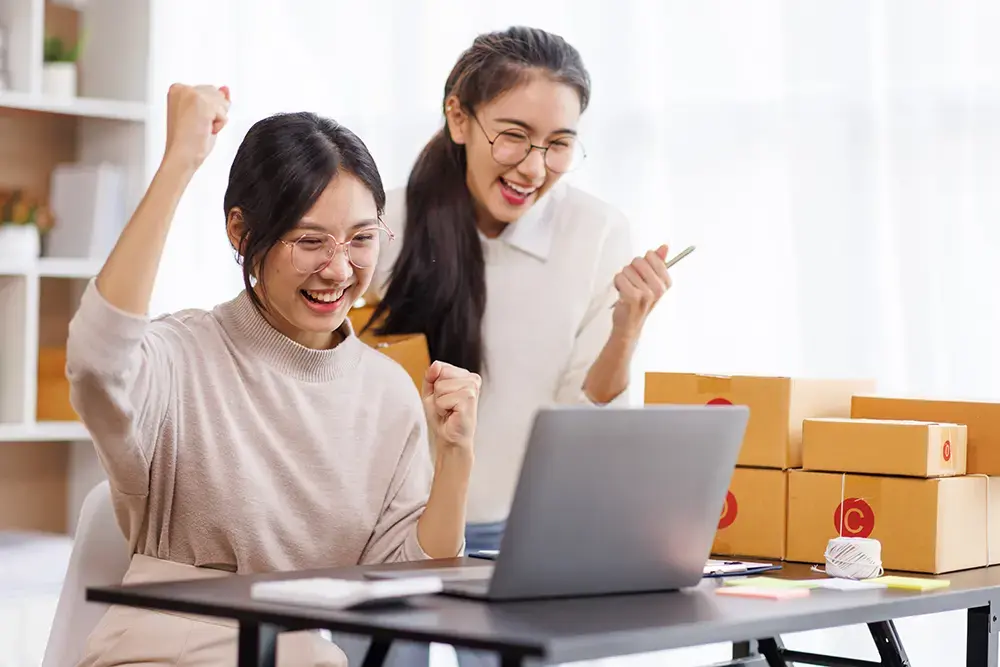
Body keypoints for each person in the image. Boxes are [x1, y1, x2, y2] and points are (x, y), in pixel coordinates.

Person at [67, 83, 480, 667]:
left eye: (362, 238)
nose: (339, 269)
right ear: (240, 232)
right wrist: (179, 161)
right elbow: (95, 361)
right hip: (163, 649)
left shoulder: (388, 392)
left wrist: (457, 453)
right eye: (310, 240)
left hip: (298, 653)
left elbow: (412, 579)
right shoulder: (182, 355)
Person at [367, 26, 673, 555]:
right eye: (512, 134)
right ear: (458, 118)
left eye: (559, 144)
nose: (533, 168)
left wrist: (626, 332)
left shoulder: (596, 231)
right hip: (388, 520)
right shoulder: (383, 222)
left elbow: (584, 421)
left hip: (526, 526)